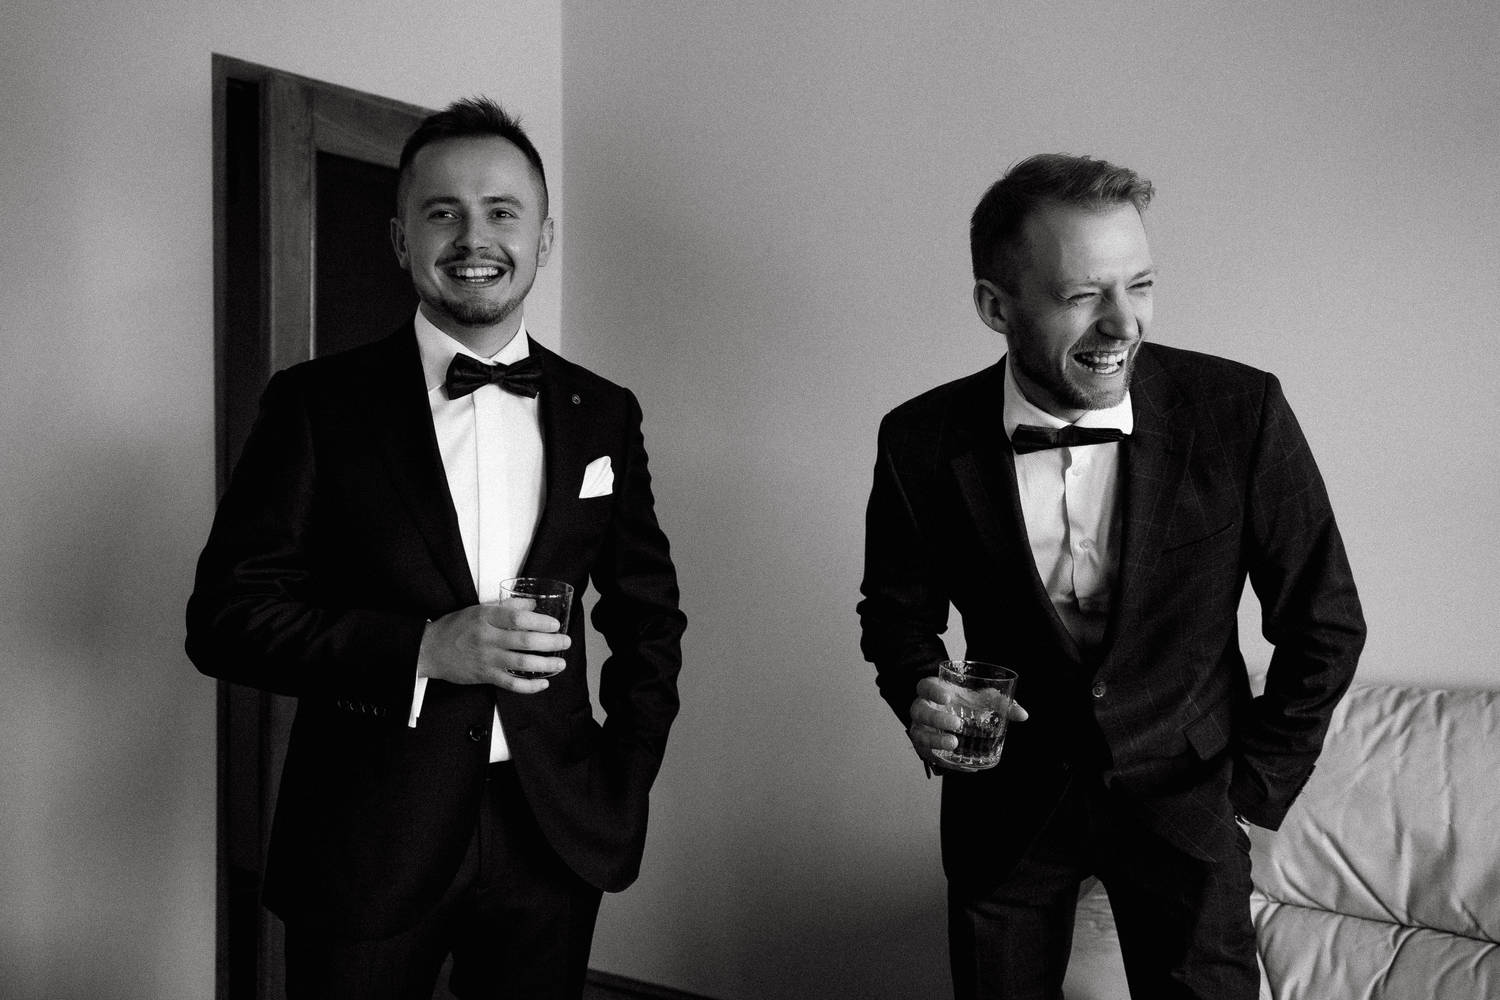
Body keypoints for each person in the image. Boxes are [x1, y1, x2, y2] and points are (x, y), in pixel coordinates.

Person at [186, 97, 686, 999]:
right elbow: (226, 619)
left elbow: (649, 617)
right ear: (400, 238)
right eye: (442, 212)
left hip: (555, 828)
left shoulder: (605, 412)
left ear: (543, 238)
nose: (474, 238)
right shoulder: (314, 405)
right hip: (366, 832)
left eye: (502, 211)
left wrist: (624, 774)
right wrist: (420, 648)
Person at [857, 153, 1364, 999]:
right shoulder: (919, 438)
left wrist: (1248, 789)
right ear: (996, 307)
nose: (1124, 323)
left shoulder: (1241, 411)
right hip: (1006, 810)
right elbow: (894, 613)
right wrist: (921, 688)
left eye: (1141, 285)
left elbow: (1326, 621)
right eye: (1082, 294)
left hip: (1191, 801)